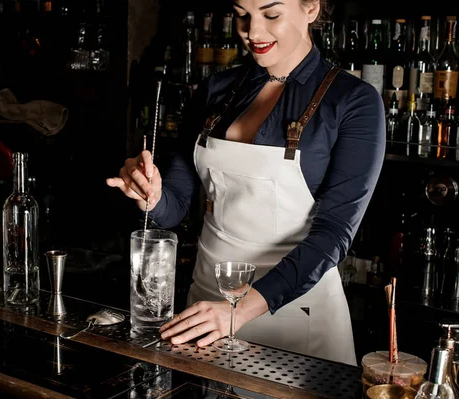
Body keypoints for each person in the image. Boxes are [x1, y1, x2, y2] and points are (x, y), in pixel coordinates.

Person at [107, 0, 385, 367]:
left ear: (311, 8)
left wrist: (238, 310)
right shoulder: (216, 90)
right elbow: (174, 206)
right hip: (205, 312)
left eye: (271, 14)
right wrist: (150, 192)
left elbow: (333, 234)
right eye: (242, 14)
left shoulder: (353, 101)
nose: (252, 32)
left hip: (293, 318)